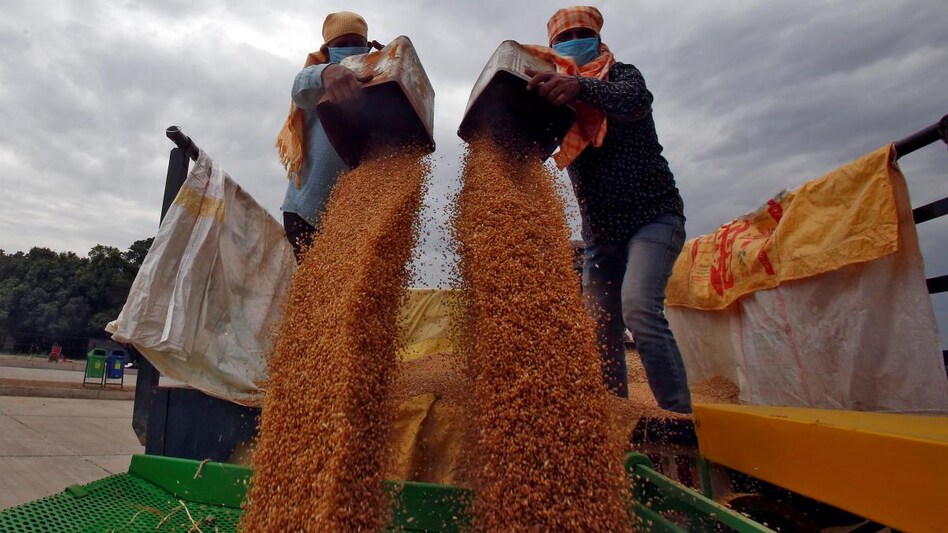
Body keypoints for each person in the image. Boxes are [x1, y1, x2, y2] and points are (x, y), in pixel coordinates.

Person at [525, 6, 692, 413]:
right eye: (563, 39)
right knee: (600, 329)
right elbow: (534, 141)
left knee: (640, 309)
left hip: (653, 218)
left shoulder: (622, 76)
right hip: (601, 235)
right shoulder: (557, 99)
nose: (573, 43)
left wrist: (580, 88)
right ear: (552, 48)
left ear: (598, 38)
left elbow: (633, 101)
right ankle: (613, 415)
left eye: (581, 34)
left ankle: (680, 417)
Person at [276, 11, 376, 263]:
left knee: (349, 295)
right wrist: (328, 72)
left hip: (354, 218)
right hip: (306, 212)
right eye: (341, 45)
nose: (349, 49)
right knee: (316, 290)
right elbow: (299, 87)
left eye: (356, 42)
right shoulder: (317, 77)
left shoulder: (376, 79)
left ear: (367, 45)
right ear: (328, 49)